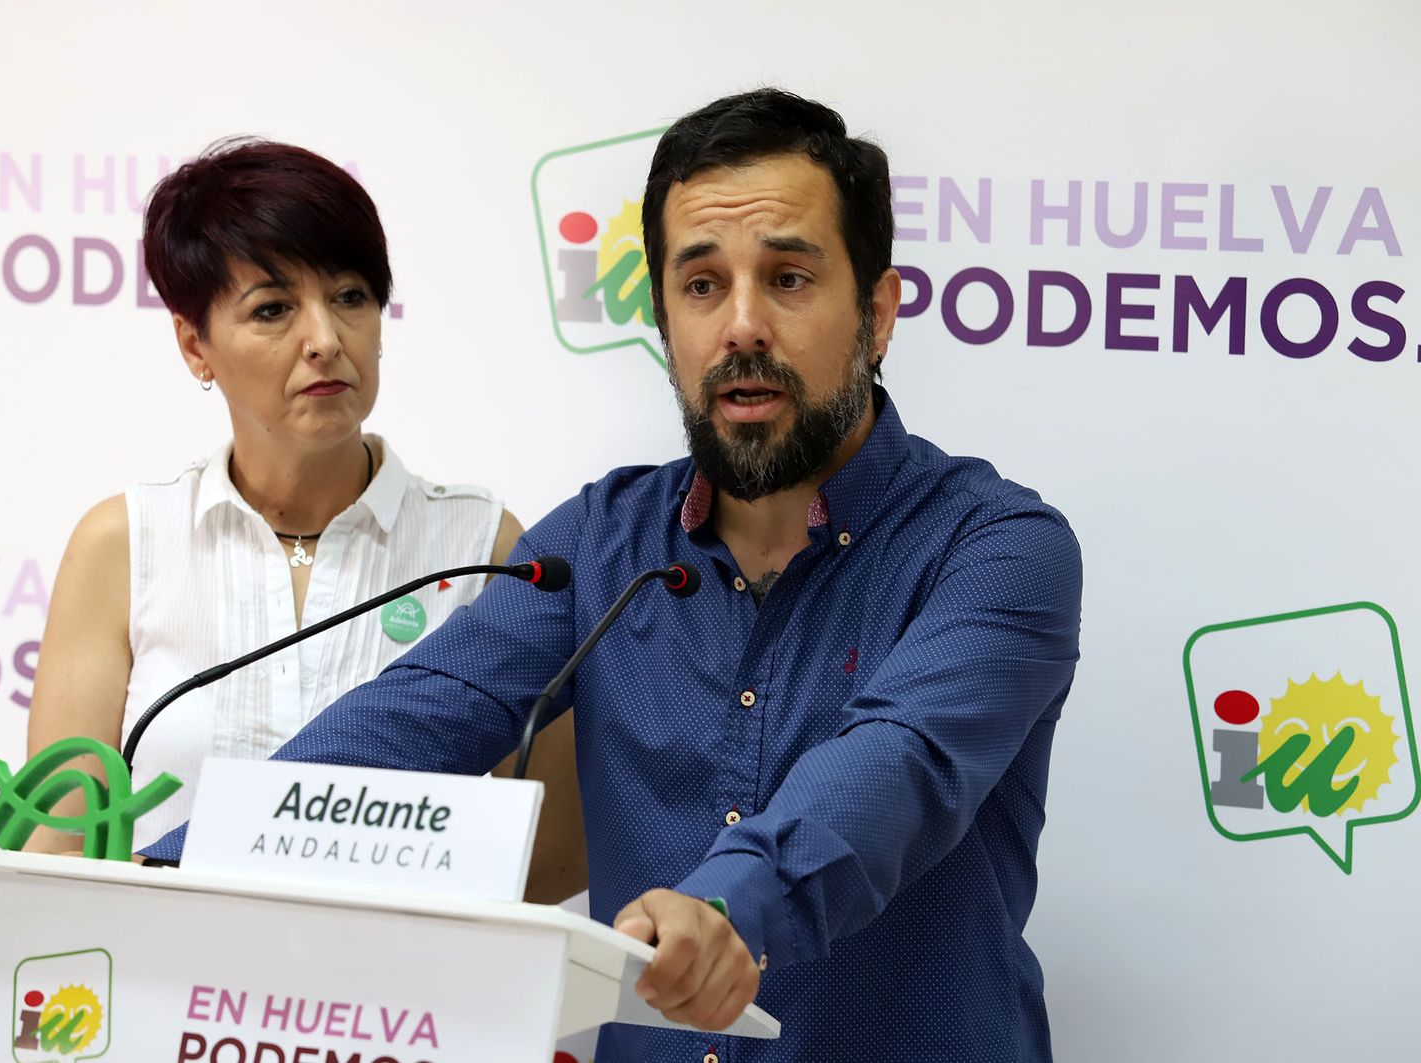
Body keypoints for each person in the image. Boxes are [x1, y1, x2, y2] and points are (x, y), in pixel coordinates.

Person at [147, 91, 1083, 1061]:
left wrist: (731, 906)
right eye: (702, 285)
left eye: (790, 278)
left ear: (878, 312)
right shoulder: (602, 542)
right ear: (662, 315)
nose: (743, 325)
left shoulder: (996, 548)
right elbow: (417, 713)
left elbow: (898, 763)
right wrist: (167, 873)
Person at [24, 139, 585, 903]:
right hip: (166, 994)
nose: (325, 338)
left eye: (350, 296)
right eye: (273, 308)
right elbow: (62, 842)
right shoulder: (125, 544)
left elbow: (550, 857)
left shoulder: (489, 548)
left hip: (394, 1006)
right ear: (195, 345)